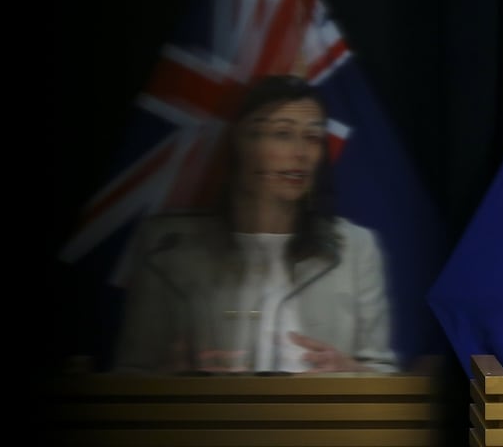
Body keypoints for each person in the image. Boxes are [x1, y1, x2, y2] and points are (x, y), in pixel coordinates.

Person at [113, 74, 398, 374]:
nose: (301, 153)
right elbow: (130, 375)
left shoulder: (354, 248)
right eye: (282, 134)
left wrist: (348, 370)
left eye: (312, 138)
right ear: (240, 145)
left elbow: (383, 374)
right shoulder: (166, 247)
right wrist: (169, 379)